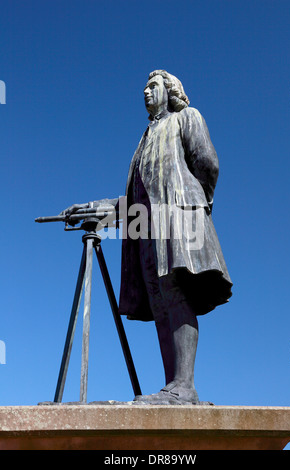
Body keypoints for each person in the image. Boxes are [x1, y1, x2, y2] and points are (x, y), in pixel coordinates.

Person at [60, 70, 232, 404]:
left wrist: (194, 205)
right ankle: (173, 386)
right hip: (147, 230)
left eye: (152, 86)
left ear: (171, 91)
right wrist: (96, 207)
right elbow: (135, 198)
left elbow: (207, 164)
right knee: (161, 300)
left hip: (179, 220)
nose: (145, 91)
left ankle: (185, 385)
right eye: (144, 87)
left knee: (177, 292)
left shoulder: (187, 118)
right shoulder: (144, 140)